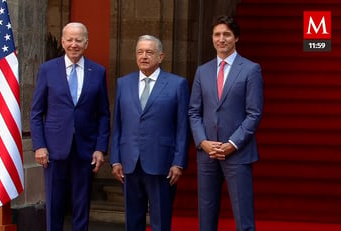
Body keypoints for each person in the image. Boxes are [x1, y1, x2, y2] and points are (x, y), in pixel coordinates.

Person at [30, 22, 110, 231]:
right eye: (70, 39)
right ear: (63, 41)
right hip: (53, 149)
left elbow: (103, 114)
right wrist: (39, 145)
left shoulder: (98, 71)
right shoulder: (48, 69)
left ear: (86, 43)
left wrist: (100, 148)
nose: (74, 44)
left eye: (79, 40)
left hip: (85, 149)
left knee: (81, 204)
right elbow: (37, 112)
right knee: (54, 202)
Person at [188, 15, 263, 231]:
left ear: (236, 38)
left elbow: (254, 113)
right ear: (212, 38)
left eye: (226, 34)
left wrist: (232, 143)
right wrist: (203, 142)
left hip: (237, 152)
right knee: (206, 215)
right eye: (217, 34)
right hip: (208, 153)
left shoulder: (250, 69)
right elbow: (194, 111)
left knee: (243, 216)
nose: (221, 39)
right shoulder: (203, 71)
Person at [110, 35, 189, 231]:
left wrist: (178, 162)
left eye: (149, 52)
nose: (144, 56)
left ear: (161, 56)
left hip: (161, 162)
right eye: (140, 52)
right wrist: (115, 159)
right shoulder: (123, 83)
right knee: (132, 219)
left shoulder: (177, 84)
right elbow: (118, 124)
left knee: (160, 220)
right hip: (129, 162)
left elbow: (182, 127)